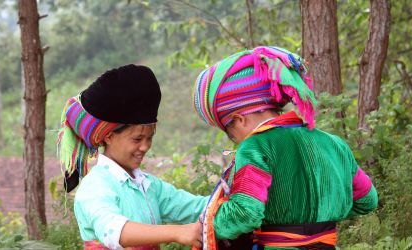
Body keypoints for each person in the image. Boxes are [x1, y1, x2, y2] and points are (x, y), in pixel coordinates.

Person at [192, 46, 378, 250]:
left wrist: (207, 225)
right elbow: (367, 200)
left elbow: (245, 214)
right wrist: (324, 212)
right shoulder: (335, 144)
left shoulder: (256, 147)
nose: (237, 142)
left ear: (239, 119)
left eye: (231, 133)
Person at [57, 64, 208, 250]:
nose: (145, 147)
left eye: (149, 138)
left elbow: (198, 208)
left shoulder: (150, 186)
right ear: (109, 137)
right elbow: (113, 230)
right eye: (137, 139)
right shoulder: (95, 187)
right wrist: (178, 232)